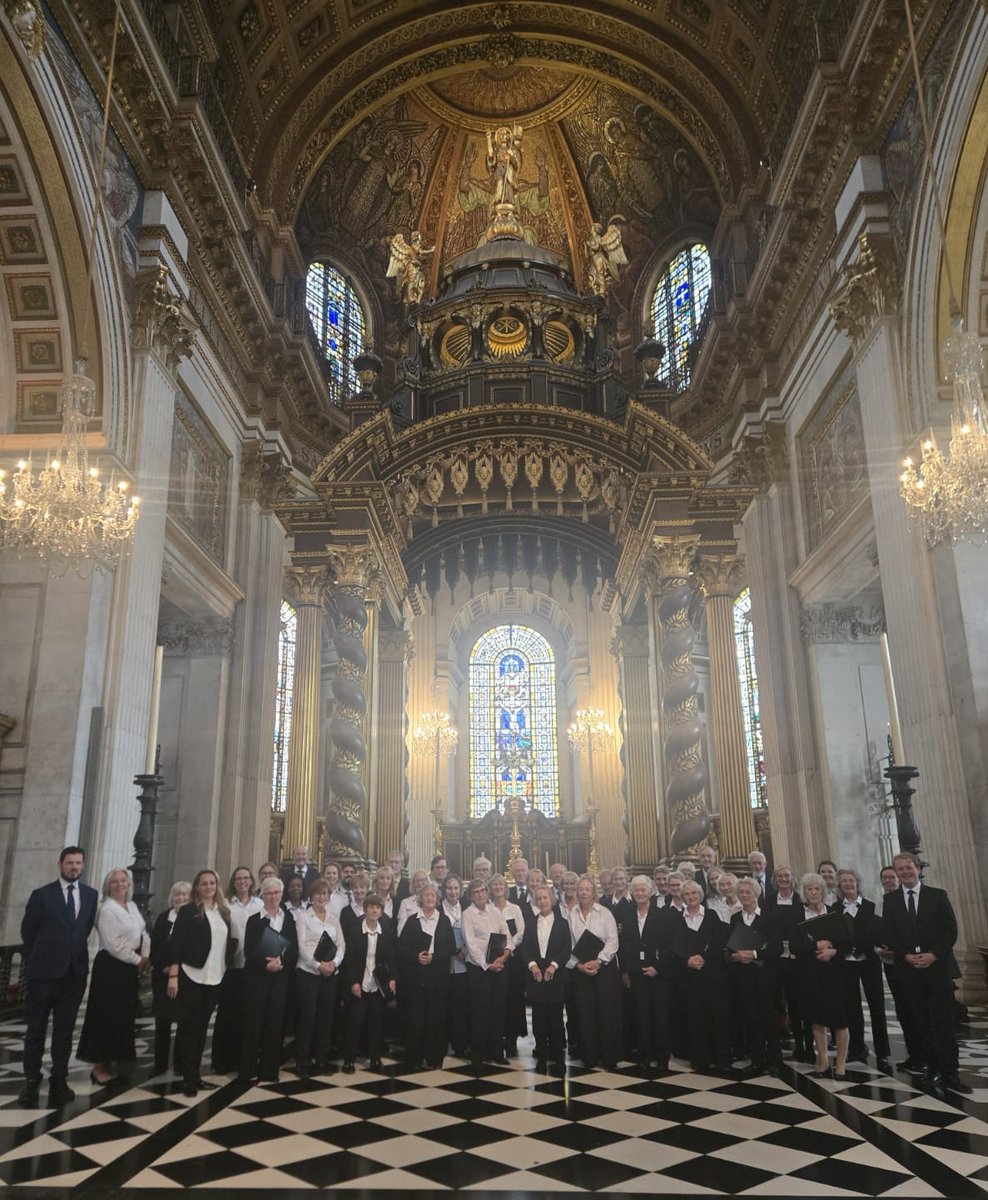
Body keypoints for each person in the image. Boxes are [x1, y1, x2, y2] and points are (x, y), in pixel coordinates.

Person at [880, 852, 969, 1093]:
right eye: (900, 869)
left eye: (908, 867)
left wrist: (933, 954)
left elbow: (950, 930)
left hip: (936, 968)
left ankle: (951, 1072)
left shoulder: (937, 895)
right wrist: (905, 956)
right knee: (920, 1022)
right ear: (896, 873)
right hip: (909, 970)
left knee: (943, 1023)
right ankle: (933, 1068)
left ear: (918, 869)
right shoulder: (891, 901)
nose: (905, 872)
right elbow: (889, 934)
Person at [19, 846, 99, 1107]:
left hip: (73, 975)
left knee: (64, 1031)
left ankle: (59, 1079)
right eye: (69, 863)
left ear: (83, 865)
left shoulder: (90, 895)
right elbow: (28, 932)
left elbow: (84, 929)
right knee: (36, 1029)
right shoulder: (42, 895)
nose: (74, 867)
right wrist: (43, 957)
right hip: (43, 974)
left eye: (78, 863)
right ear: (60, 864)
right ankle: (32, 1080)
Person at [76, 868, 149, 1086]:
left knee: (122, 1015)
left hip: (128, 968)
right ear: (108, 886)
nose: (119, 884)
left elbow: (143, 932)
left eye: (123, 880)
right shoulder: (106, 909)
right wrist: (138, 960)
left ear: (129, 883)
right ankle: (98, 1067)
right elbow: (113, 944)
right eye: (114, 881)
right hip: (111, 968)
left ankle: (110, 1059)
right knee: (105, 1015)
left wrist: (145, 955)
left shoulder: (132, 906)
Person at [166, 869, 232, 1096]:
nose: (208, 886)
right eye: (204, 883)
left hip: (215, 976)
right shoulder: (188, 911)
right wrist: (173, 976)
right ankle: (188, 1078)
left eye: (212, 883)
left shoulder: (223, 911)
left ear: (217, 885)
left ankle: (195, 1075)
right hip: (192, 974)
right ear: (197, 887)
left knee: (202, 1027)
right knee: (190, 1027)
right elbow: (176, 943)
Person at [240, 877, 298, 1083]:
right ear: (262, 895)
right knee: (254, 1023)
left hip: (281, 977)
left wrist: (281, 962)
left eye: (276, 893)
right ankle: (248, 1070)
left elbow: (294, 948)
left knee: (275, 1023)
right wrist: (266, 965)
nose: (273, 897)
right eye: (269, 893)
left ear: (281, 895)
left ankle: (269, 1070)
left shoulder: (288, 918)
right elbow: (249, 950)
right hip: (258, 977)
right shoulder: (254, 920)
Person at [672, 880, 731, 1073]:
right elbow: (673, 947)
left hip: (712, 975)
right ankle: (700, 1059)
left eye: (694, 893)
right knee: (695, 1018)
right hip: (689, 976)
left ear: (700, 895)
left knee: (717, 1016)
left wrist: (703, 957)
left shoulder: (712, 915)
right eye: (686, 894)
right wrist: (687, 961)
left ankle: (722, 1058)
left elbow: (718, 942)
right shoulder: (677, 919)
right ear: (682, 897)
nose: (691, 897)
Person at [795, 871, 849, 1080]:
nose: (813, 892)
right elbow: (795, 947)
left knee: (839, 1019)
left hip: (835, 972)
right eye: (809, 889)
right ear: (804, 892)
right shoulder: (799, 916)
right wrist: (815, 946)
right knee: (816, 1018)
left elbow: (847, 943)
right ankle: (823, 1059)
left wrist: (832, 951)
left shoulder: (835, 914)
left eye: (817, 888)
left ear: (823, 891)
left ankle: (841, 1062)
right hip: (811, 973)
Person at [620, 874, 676, 1071]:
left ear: (650, 891)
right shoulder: (627, 914)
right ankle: (645, 1054)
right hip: (636, 973)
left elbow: (669, 946)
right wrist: (625, 971)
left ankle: (662, 1056)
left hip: (658, 973)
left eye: (643, 889)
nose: (640, 893)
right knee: (641, 1015)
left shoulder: (663, 915)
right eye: (636, 890)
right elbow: (623, 944)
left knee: (660, 1016)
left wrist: (657, 968)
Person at [837, 868, 891, 1069]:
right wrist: (847, 949)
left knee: (877, 1006)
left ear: (857, 883)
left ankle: (883, 1051)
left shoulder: (871, 906)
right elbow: (835, 934)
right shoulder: (835, 908)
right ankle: (856, 1047)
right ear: (840, 885)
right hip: (846, 963)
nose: (848, 884)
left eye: (851, 880)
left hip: (869, 961)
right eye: (844, 881)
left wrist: (863, 948)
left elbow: (876, 932)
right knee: (851, 1007)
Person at [398, 881, 455, 1069]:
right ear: (420, 899)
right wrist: (416, 957)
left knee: (435, 1016)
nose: (430, 898)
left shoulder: (444, 920)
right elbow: (401, 947)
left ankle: (434, 1057)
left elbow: (451, 948)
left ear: (437, 899)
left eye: (433, 895)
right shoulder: (412, 920)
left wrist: (434, 957)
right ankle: (414, 1057)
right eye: (426, 895)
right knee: (416, 1016)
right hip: (416, 976)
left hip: (438, 975)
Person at [728, 877, 781, 1075]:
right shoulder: (735, 918)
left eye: (747, 892)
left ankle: (775, 1060)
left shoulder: (769, 917)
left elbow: (776, 948)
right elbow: (730, 946)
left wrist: (754, 954)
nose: (744, 895)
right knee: (751, 1018)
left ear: (756, 894)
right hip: (743, 975)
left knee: (767, 1017)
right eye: (741, 892)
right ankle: (757, 1059)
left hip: (764, 974)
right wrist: (735, 956)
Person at [567, 874, 621, 1070]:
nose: (583, 893)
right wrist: (578, 965)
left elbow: (612, 941)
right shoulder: (571, 915)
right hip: (581, 970)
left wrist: (598, 962)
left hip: (604, 969)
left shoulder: (605, 913)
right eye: (580, 889)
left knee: (606, 1013)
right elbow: (568, 944)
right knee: (585, 1014)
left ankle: (608, 1057)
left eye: (587, 889)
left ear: (593, 892)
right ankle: (590, 1056)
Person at [293, 877, 346, 1076]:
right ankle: (302, 1060)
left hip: (330, 973)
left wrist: (334, 963)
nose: (321, 897)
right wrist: (318, 965)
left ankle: (322, 1059)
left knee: (326, 1016)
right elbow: (301, 946)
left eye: (325, 893)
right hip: (308, 973)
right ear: (311, 896)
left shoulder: (333, 917)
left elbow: (341, 944)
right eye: (318, 893)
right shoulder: (303, 917)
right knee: (308, 1016)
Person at [212, 866, 262, 1072]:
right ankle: (224, 1060)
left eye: (246, 878)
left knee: (248, 1014)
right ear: (233, 882)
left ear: (251, 881)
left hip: (253, 965)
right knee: (228, 1013)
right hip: (231, 964)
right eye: (239, 878)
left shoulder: (259, 904)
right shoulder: (225, 905)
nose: (243, 881)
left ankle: (246, 1058)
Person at [343, 894, 395, 1073]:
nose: (374, 910)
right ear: (365, 909)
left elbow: (390, 955)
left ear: (381, 911)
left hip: (377, 984)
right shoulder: (355, 928)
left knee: (376, 1023)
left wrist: (392, 978)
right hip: (359, 982)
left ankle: (375, 1059)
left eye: (378, 908)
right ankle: (349, 1060)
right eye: (371, 907)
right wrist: (353, 982)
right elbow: (349, 958)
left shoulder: (385, 929)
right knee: (355, 1022)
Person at [521, 884, 571, 1072]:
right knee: (538, 1018)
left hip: (555, 974)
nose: (542, 901)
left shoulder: (562, 923)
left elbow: (566, 949)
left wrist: (553, 966)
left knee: (556, 1018)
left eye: (545, 898)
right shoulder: (530, 922)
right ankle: (541, 1057)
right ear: (535, 902)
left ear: (552, 900)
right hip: (536, 975)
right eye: (539, 899)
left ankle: (558, 1058)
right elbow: (525, 947)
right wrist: (533, 966)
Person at [462, 878, 511, 1064]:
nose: (480, 894)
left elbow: (507, 936)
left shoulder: (495, 911)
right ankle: (478, 1053)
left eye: (482, 890)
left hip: (499, 965)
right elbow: (470, 944)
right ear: (470, 896)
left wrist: (504, 956)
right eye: (476, 892)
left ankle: (496, 1052)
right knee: (480, 1011)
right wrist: (487, 965)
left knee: (498, 1010)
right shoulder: (467, 914)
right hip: (478, 969)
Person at [764, 865, 808, 1062]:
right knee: (775, 1001)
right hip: (775, 957)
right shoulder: (769, 900)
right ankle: (776, 1046)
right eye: (779, 876)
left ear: (792, 878)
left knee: (797, 1002)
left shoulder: (800, 899)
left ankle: (801, 1043)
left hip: (796, 958)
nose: (783, 879)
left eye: (786, 875)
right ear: (775, 879)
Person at [149, 880, 191, 1076]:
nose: (180, 898)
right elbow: (155, 946)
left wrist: (179, 969)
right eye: (177, 894)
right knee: (162, 1022)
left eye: (184, 895)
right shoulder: (163, 918)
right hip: (162, 976)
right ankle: (160, 1064)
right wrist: (164, 968)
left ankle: (180, 1064)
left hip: (186, 976)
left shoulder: (194, 919)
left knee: (184, 1022)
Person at [490, 873, 526, 1055]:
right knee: (497, 999)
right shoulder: (488, 908)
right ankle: (497, 1036)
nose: (498, 887)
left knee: (514, 998)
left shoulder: (514, 908)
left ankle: (512, 1038)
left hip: (513, 960)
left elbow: (522, 931)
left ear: (505, 887)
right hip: (494, 960)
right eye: (494, 885)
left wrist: (509, 946)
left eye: (501, 884)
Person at [442, 874, 470, 1057]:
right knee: (444, 1004)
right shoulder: (437, 909)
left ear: (460, 890)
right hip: (443, 964)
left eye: (456, 888)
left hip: (462, 963)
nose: (453, 892)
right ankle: (443, 1042)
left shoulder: (467, 908)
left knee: (461, 1005)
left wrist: (465, 949)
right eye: (449, 888)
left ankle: (460, 1044)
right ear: (444, 890)